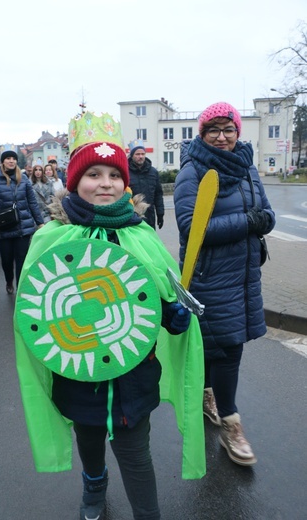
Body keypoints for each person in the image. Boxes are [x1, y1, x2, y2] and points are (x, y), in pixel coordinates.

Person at [14, 112, 206, 520]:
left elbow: (155, 290)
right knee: (89, 438)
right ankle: (94, 484)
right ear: (74, 182)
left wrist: (169, 312)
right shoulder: (51, 237)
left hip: (133, 372)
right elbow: (36, 308)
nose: (105, 183)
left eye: (113, 175)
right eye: (94, 174)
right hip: (79, 368)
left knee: (136, 452)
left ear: (126, 182)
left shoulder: (140, 233)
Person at [174, 101, 276, 466]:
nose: (222, 136)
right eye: (213, 130)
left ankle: (206, 393)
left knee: (218, 346)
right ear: (202, 134)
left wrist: (258, 220)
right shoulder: (193, 171)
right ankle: (231, 425)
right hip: (210, 277)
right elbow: (193, 229)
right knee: (229, 348)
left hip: (245, 273)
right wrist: (250, 222)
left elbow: (266, 213)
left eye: (228, 129)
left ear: (238, 132)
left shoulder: (247, 166)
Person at [0, 151, 44, 294]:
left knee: (22, 260)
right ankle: (9, 280)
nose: (11, 161)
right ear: (3, 161)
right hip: (4, 226)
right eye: (8, 159)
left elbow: (32, 202)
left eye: (14, 159)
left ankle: (21, 287)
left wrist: (40, 222)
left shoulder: (23, 178)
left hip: (23, 226)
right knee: (6, 260)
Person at [127, 140, 164, 230]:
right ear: (132, 156)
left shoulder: (153, 172)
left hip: (149, 215)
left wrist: (160, 214)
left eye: (143, 154)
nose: (141, 156)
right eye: (137, 154)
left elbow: (158, 194)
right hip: (131, 216)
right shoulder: (126, 172)